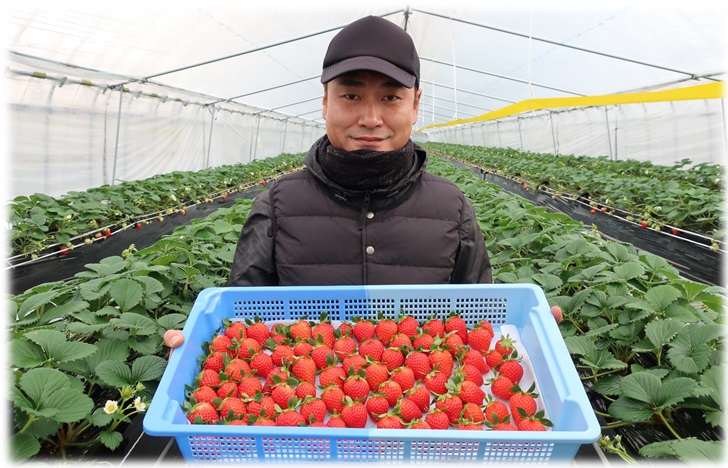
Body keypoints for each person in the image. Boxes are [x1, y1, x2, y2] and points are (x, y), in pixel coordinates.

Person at [163, 15, 562, 351]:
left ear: (415, 105)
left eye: (390, 98)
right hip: (310, 423)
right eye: (351, 95)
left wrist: (525, 344)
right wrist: (198, 350)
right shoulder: (278, 206)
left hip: (420, 427)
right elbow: (244, 328)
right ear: (324, 103)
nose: (371, 117)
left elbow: (477, 324)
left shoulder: (452, 208)